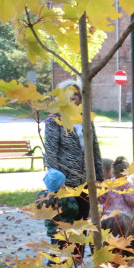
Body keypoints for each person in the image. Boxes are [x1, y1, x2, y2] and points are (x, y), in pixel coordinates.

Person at [44, 79, 103, 222]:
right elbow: (51, 153)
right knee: (67, 224)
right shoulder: (54, 120)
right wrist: (57, 184)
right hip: (66, 182)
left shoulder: (86, 119)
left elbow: (95, 148)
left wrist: (99, 177)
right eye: (68, 93)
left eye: (76, 94)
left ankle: (81, 246)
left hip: (86, 180)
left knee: (83, 222)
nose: (73, 97)